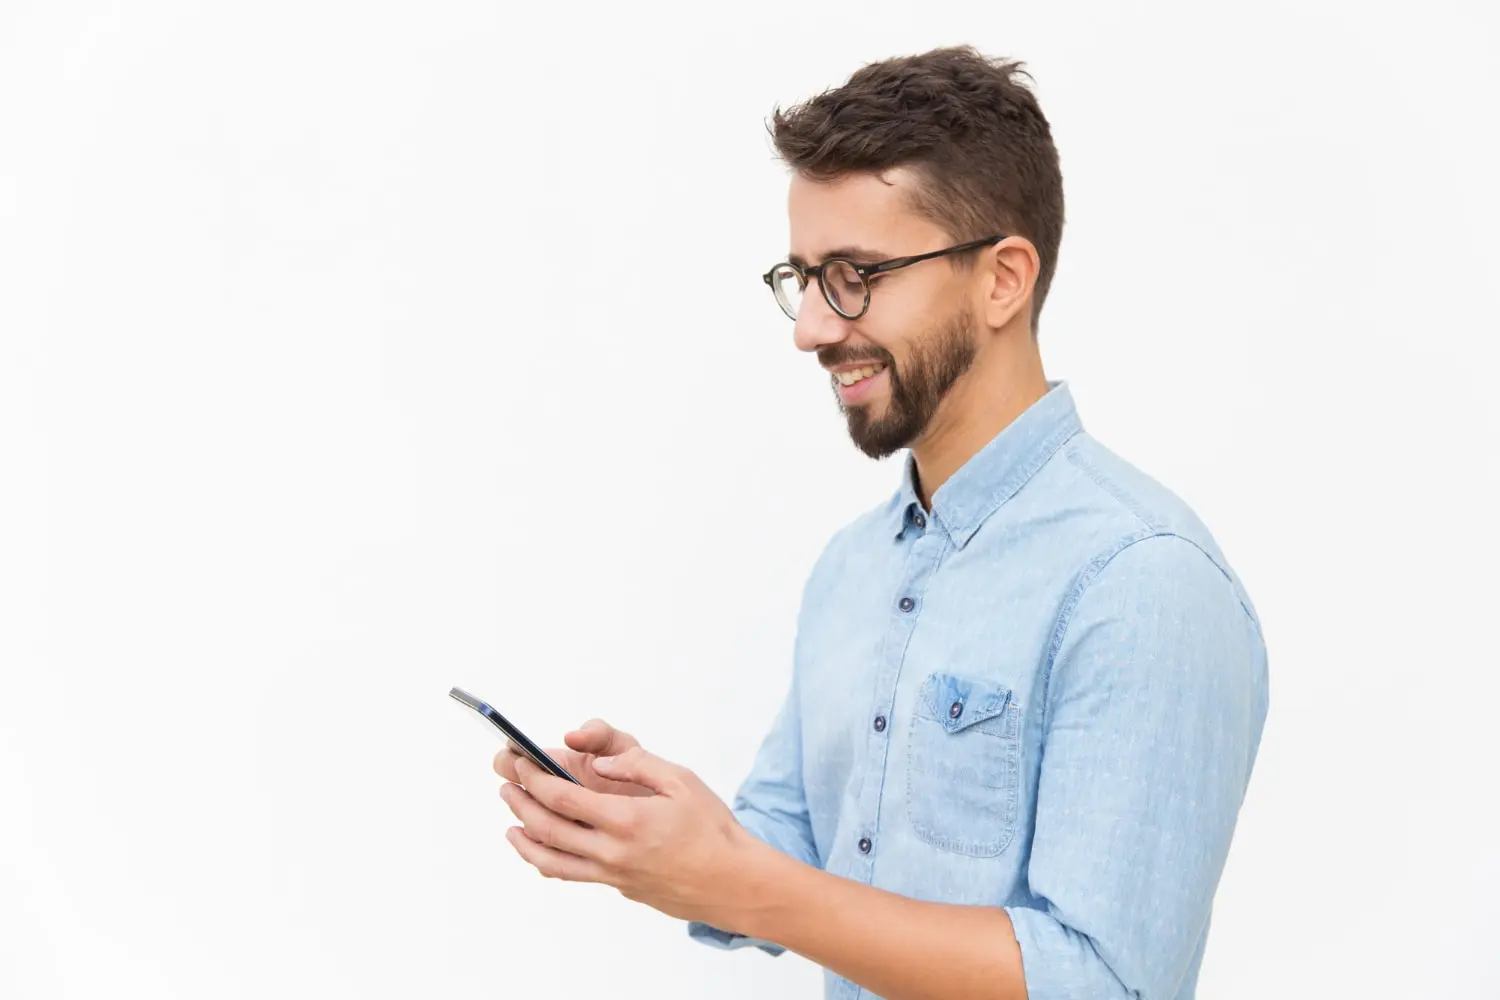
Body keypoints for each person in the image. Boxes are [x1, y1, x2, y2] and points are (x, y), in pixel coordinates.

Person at [492, 44, 1269, 1000]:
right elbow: (796, 847)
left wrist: (743, 883)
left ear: (1002, 279)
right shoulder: (853, 567)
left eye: (856, 274)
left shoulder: (1143, 581)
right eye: (804, 276)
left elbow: (1102, 981)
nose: (812, 327)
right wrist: (655, 831)